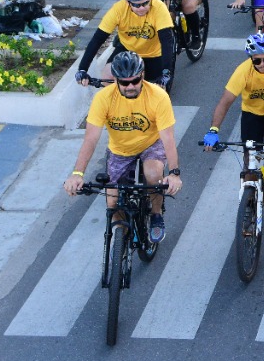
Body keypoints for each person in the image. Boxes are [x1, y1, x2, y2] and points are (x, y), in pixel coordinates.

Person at [64, 51, 181, 244]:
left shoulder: (158, 96)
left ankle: (156, 214)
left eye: (135, 81)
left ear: (142, 75)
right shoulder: (103, 98)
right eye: (124, 83)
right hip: (120, 150)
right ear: (115, 80)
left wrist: (174, 173)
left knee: (153, 175)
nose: (131, 86)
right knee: (112, 203)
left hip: (150, 144)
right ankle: (122, 240)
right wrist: (77, 173)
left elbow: (167, 138)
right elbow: (91, 139)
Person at [202, 33, 264, 178]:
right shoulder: (244, 70)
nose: (262, 64)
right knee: (250, 163)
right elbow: (225, 102)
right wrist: (213, 130)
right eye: (257, 61)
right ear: (251, 59)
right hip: (252, 111)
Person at [76, 0, 175, 89]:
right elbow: (98, 39)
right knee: (107, 77)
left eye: (145, 3)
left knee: (156, 89)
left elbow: (166, 41)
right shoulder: (118, 9)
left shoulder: (159, 7)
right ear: (128, 2)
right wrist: (82, 69)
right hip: (127, 51)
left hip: (153, 54)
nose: (142, 8)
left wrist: (167, 72)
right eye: (136, 5)